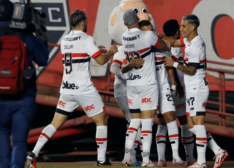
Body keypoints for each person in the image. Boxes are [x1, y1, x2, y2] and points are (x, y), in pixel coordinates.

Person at [26, 9, 118, 168]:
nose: (87, 24)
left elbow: (79, 53)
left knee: (54, 124)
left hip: (67, 89)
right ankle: (102, 160)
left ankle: (32, 154)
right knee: (101, 120)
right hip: (83, 89)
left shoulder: (65, 40)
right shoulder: (87, 39)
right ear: (83, 23)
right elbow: (102, 61)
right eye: (86, 22)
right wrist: (110, 51)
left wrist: (94, 48)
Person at [161, 15, 228, 168]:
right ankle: (218, 151)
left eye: (183, 26)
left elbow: (191, 69)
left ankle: (202, 162)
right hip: (191, 90)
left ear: (192, 27)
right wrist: (160, 36)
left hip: (197, 89)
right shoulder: (189, 41)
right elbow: (174, 41)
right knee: (192, 127)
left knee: (197, 126)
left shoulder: (197, 45)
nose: (181, 29)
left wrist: (175, 64)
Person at [0, 0, 49, 167]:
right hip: (24, 97)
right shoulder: (26, 34)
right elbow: (42, 59)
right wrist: (41, 33)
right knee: (20, 141)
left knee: (2, 133)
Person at [120, 9, 169, 167]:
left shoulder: (124, 37)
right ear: (138, 19)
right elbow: (163, 47)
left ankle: (127, 158)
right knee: (147, 123)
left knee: (134, 122)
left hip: (132, 84)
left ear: (124, 23)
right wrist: (156, 36)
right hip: (147, 84)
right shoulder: (147, 35)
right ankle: (146, 160)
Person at [138, 20, 184, 166]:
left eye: (151, 30)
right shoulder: (139, 49)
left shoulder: (161, 46)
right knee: (157, 124)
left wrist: (173, 85)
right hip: (149, 91)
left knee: (169, 119)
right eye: (146, 31)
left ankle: (174, 156)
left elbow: (168, 65)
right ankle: (159, 159)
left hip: (163, 88)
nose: (150, 33)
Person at [110, 46, 142, 167]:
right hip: (124, 90)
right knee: (135, 122)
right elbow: (113, 68)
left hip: (128, 91)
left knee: (134, 123)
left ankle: (130, 158)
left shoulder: (133, 49)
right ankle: (128, 158)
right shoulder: (122, 50)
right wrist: (125, 75)